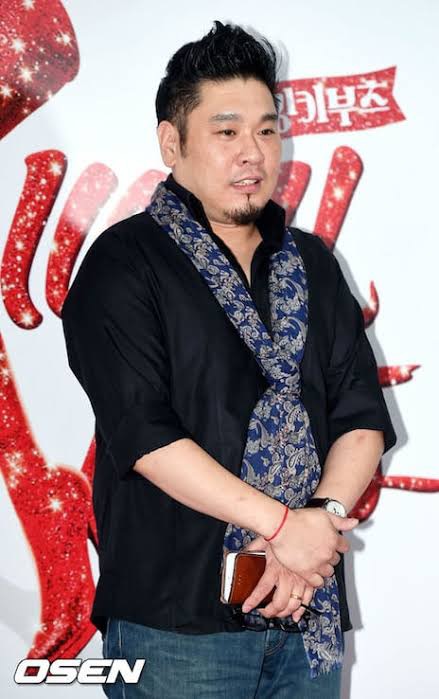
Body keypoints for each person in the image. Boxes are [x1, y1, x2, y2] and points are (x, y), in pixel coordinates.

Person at [61, 20, 396, 699]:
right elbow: (144, 435)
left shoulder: (311, 263)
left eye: (267, 131)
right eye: (226, 131)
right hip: (176, 627)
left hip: (306, 611)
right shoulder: (123, 264)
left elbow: (360, 415)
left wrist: (317, 522)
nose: (253, 153)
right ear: (171, 142)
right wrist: (282, 526)